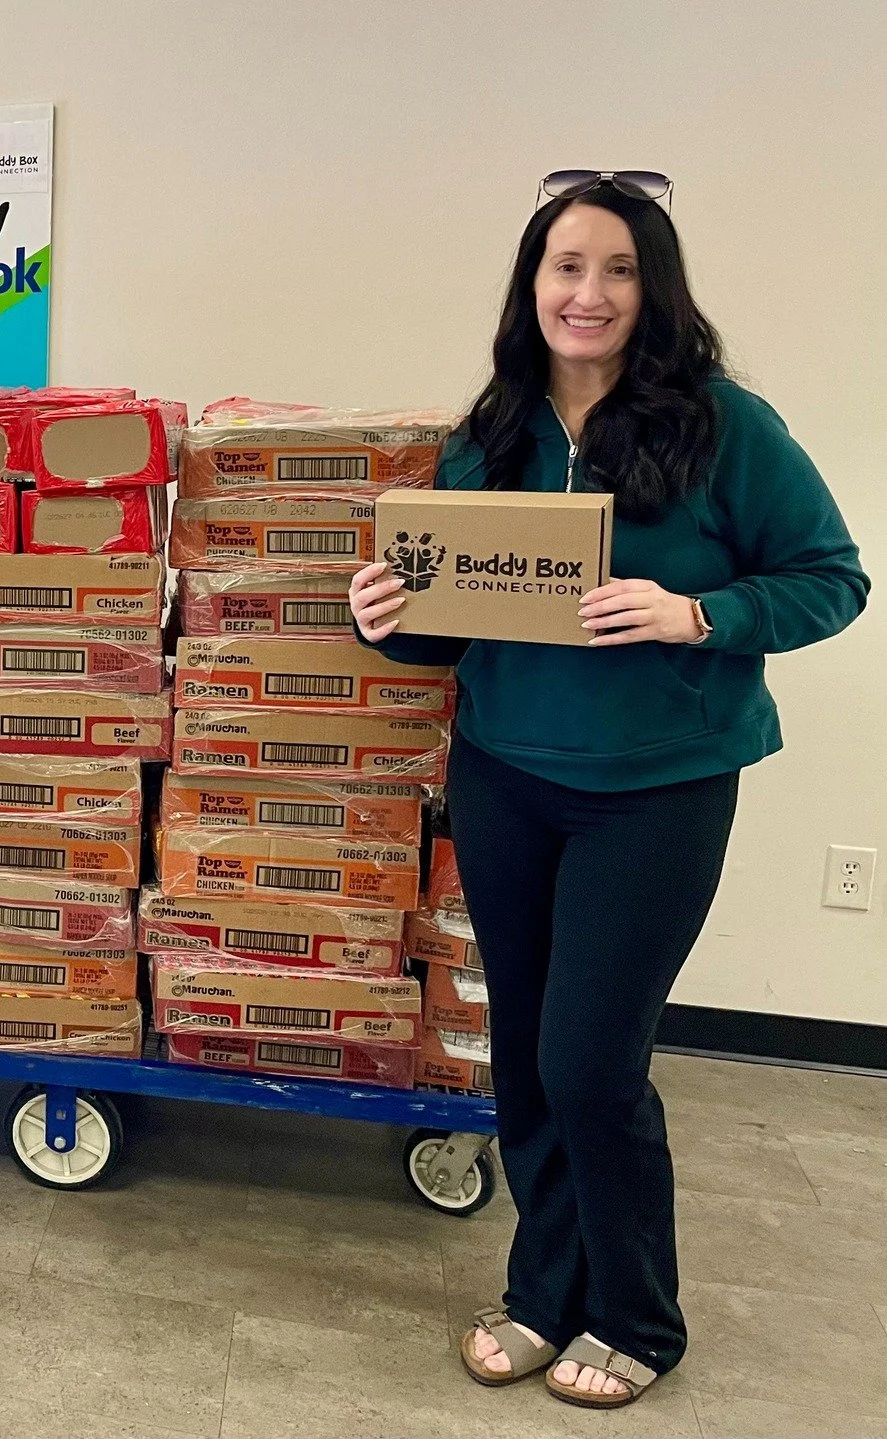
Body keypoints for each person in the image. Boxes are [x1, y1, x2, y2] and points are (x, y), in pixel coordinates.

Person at [352, 174, 867, 1409]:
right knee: (525, 1055)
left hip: (657, 789)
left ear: (654, 287)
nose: (589, 293)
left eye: (619, 269)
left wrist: (698, 612)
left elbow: (831, 577)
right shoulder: (488, 437)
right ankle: (542, 1293)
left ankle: (636, 1313)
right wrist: (386, 619)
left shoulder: (726, 427)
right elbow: (447, 629)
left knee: (591, 1060)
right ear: (531, 286)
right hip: (505, 777)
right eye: (566, 267)